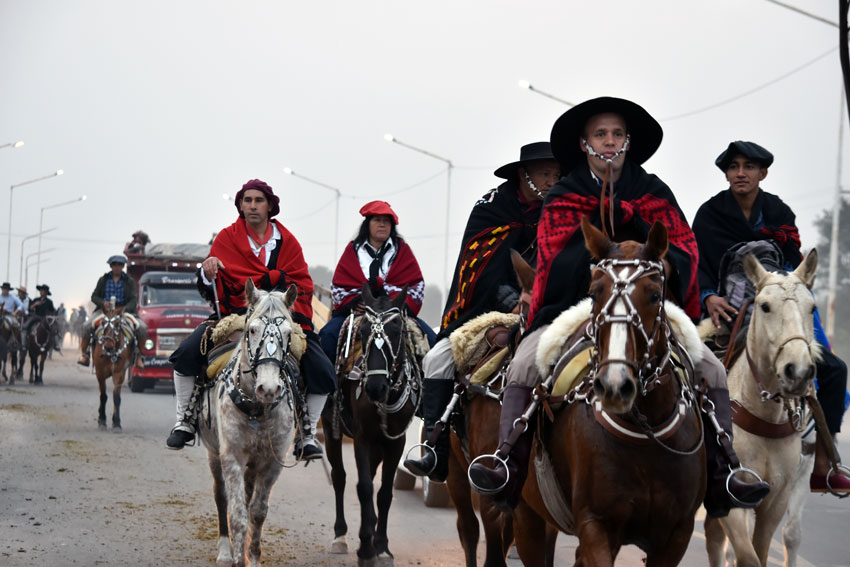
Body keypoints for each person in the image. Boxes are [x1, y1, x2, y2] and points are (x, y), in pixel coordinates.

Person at [466, 97, 770, 515]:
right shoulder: (565, 194)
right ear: (585, 143)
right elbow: (554, 259)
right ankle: (507, 465)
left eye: (616, 134)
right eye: (600, 134)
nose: (609, 142)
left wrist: (656, 255)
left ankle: (724, 475)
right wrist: (603, 256)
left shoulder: (652, 191)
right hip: (577, 305)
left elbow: (684, 249)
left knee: (713, 369)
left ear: (628, 142)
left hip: (646, 309)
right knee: (521, 364)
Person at [693, 140, 850, 492]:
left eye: (749, 167)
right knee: (687, 362)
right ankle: (687, 453)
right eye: (734, 167)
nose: (741, 173)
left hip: (779, 301)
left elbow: (793, 264)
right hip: (725, 304)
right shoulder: (709, 214)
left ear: (763, 173)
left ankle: (825, 458)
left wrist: (790, 298)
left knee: (835, 369)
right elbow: (696, 264)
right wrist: (709, 297)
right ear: (727, 174)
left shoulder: (778, 212)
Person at [403, 142, 560, 482]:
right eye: (545, 173)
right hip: (484, 310)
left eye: (556, 173)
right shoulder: (492, 209)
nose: (552, 180)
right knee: (436, 360)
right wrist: (511, 302)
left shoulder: (562, 212)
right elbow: (478, 272)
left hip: (549, 310)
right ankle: (435, 448)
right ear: (524, 175)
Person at [165, 179, 337, 461]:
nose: (252, 206)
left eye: (258, 200)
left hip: (282, 321)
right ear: (240, 206)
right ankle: (184, 420)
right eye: (247, 200)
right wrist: (207, 272)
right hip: (235, 317)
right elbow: (209, 285)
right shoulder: (226, 238)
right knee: (185, 354)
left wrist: (285, 304)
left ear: (270, 206)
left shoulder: (288, 242)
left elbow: (301, 285)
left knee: (323, 371)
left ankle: (306, 433)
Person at [319, 200, 435, 363]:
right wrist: (355, 301)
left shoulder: (402, 250)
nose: (382, 225)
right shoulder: (353, 250)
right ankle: (329, 386)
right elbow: (340, 286)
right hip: (358, 313)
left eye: (386, 221)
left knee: (432, 340)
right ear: (368, 224)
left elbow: (415, 286)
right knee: (327, 336)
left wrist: (393, 302)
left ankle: (428, 387)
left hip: (394, 314)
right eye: (377, 220)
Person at [77, 255, 147, 369]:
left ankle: (139, 356)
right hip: (104, 311)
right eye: (114, 264)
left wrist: (125, 308)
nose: (117, 267)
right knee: (86, 326)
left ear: (123, 266)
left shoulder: (129, 281)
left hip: (124, 311)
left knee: (142, 328)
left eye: (119, 265)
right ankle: (85, 355)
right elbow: (94, 296)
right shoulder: (103, 279)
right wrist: (103, 303)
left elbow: (134, 299)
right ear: (111, 266)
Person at [22, 284, 57, 354]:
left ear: (46, 292)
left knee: (53, 329)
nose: (41, 292)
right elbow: (30, 309)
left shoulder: (49, 302)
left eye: (43, 291)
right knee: (25, 326)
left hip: (45, 318)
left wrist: (52, 317)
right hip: (35, 317)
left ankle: (55, 344)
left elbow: (53, 311)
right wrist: (35, 304)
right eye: (41, 290)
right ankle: (24, 344)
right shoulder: (36, 299)